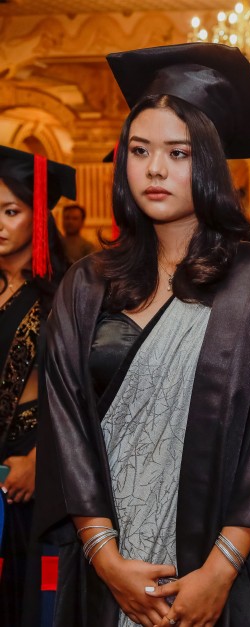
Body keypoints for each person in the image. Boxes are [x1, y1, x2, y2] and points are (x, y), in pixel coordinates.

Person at [34, 43, 250, 627]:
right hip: (104, 566)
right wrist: (106, 559)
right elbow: (65, 425)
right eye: (139, 150)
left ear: (211, 163)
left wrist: (220, 571)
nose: (155, 169)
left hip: (223, 570)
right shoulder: (86, 283)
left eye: (178, 152)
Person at [0, 146, 73, 627]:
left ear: (38, 218)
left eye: (11, 212)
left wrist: (40, 458)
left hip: (32, 466)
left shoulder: (66, 293)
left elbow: (88, 394)